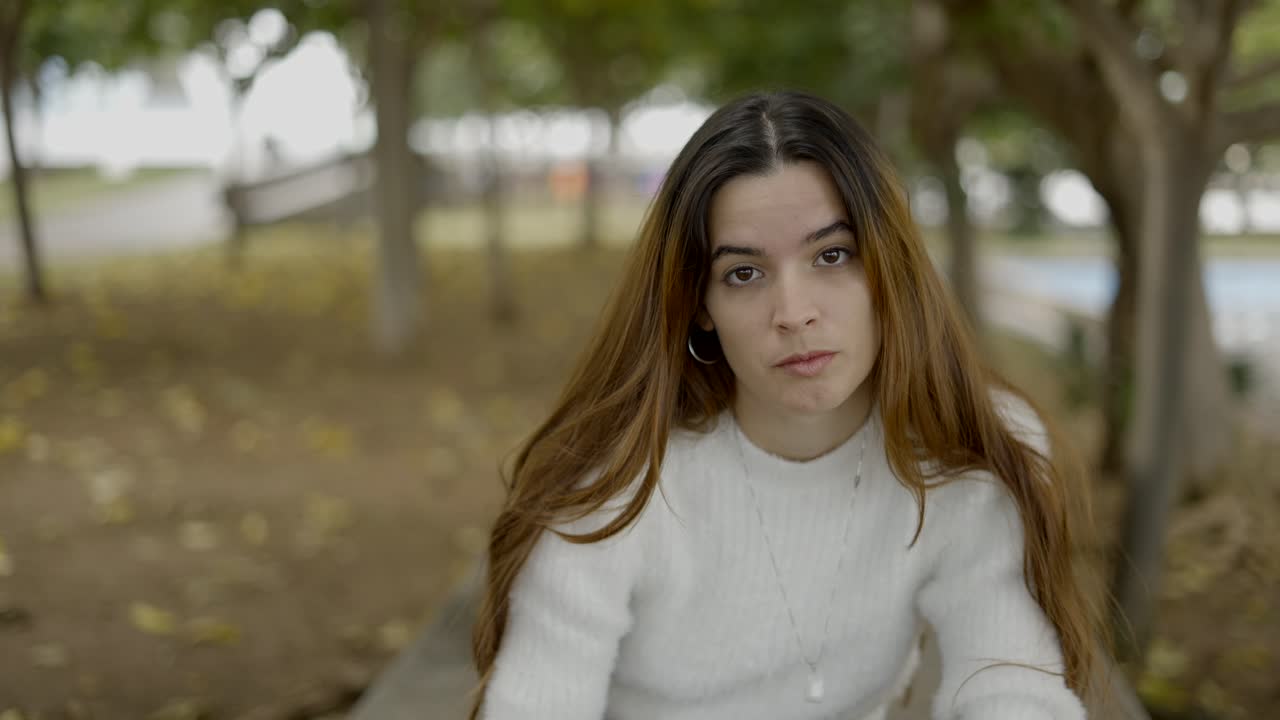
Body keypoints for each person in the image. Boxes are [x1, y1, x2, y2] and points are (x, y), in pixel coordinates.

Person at [468, 90, 1104, 720]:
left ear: (890, 266)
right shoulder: (618, 478)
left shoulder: (965, 448)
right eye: (744, 273)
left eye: (832, 255)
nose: (794, 313)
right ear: (699, 304)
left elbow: (1012, 685)